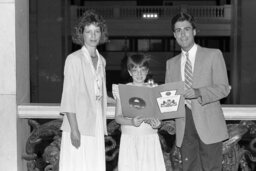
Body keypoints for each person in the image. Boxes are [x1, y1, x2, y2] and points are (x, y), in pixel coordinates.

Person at [165, 12, 230, 171]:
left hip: (209, 124)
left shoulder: (213, 55)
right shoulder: (170, 64)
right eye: (178, 30)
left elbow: (223, 89)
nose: (182, 34)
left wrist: (198, 92)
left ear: (194, 31)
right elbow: (168, 97)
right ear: (174, 35)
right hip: (183, 123)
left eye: (186, 29)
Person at [59, 9, 111, 171]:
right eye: (88, 31)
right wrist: (74, 129)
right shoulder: (73, 59)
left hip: (96, 121)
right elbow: (68, 97)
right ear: (81, 34)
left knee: (94, 164)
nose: (93, 35)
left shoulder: (102, 61)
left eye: (97, 31)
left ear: (101, 34)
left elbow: (100, 94)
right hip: (78, 122)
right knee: (76, 165)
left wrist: (121, 98)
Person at [112, 54, 167, 171]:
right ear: (129, 72)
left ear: (147, 71)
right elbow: (118, 117)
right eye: (135, 70)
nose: (139, 74)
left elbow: (158, 116)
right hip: (130, 138)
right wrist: (131, 121)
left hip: (150, 138)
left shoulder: (154, 89)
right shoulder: (123, 89)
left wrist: (158, 123)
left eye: (142, 70)